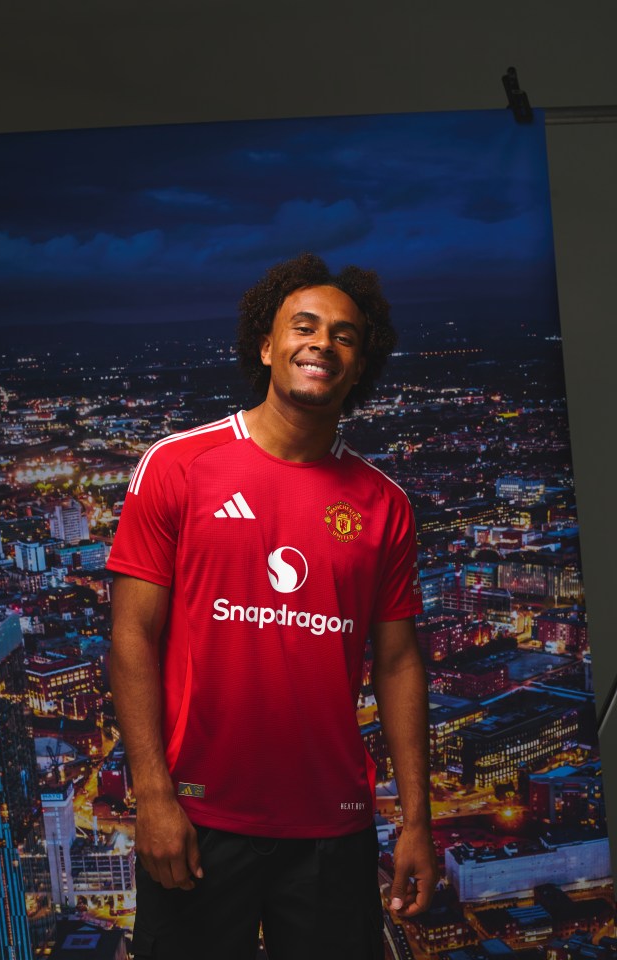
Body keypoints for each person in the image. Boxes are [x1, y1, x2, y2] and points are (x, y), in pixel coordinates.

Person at [108, 253, 438, 960]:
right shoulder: (178, 466)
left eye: (345, 335)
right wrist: (153, 796)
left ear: (360, 365)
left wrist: (417, 820)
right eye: (305, 326)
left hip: (332, 824)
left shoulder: (385, 505)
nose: (323, 343)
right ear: (267, 345)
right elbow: (132, 635)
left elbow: (401, 663)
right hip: (197, 817)